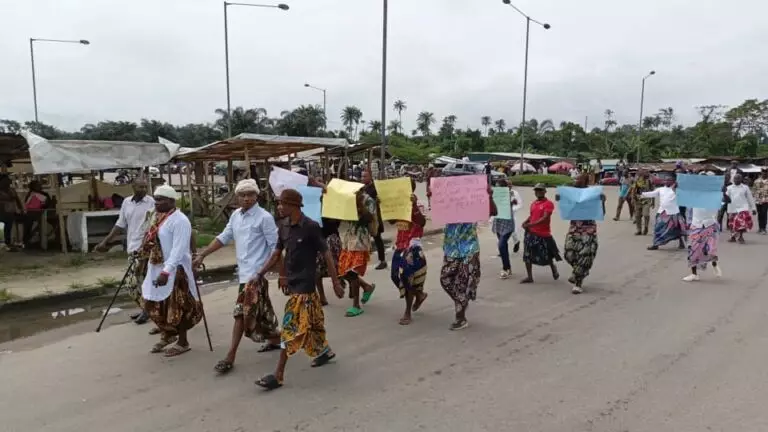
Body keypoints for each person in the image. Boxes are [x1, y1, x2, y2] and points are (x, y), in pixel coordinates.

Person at [253, 189, 344, 391]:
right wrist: (262, 273)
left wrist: (336, 283)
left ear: (292, 205)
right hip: (294, 284)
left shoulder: (310, 227)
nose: (278, 207)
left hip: (306, 285)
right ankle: (324, 352)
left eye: (281, 203)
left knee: (290, 327)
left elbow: (327, 255)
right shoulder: (283, 227)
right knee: (313, 323)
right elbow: (278, 254)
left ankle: (278, 374)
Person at [193, 179, 281, 374]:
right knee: (261, 311)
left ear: (257, 196)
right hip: (244, 273)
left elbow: (276, 247)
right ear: (237, 197)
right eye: (242, 195)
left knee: (241, 313)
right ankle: (276, 339)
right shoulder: (236, 216)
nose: (246, 198)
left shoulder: (264, 217)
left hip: (256, 275)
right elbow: (223, 237)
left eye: (250, 194)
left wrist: (279, 273)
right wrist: (202, 254)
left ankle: (230, 356)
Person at [140, 185, 203, 357]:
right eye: (156, 199)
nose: (157, 202)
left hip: (175, 270)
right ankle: (167, 334)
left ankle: (183, 342)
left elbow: (179, 249)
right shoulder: (159, 218)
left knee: (178, 307)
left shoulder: (180, 220)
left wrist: (167, 271)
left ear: (171, 201)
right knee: (155, 304)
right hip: (157, 267)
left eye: (161, 200)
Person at [96, 177, 155, 325]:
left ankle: (148, 310)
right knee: (135, 283)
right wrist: (105, 241)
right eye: (140, 187)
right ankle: (147, 309)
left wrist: (146, 244)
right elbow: (120, 224)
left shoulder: (151, 203)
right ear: (133, 187)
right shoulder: (126, 202)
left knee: (136, 282)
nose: (143, 190)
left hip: (146, 247)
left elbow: (153, 226)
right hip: (132, 246)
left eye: (145, 187)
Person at [437, 186, 496, 331]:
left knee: (463, 282)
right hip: (452, 248)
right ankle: (462, 300)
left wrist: (489, 196)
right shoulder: (448, 206)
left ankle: (460, 317)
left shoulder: (473, 206)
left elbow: (493, 212)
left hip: (469, 248)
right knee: (445, 279)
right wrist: (435, 196)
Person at [557, 174, 605, 294]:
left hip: (588, 229)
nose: (575, 180)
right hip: (574, 228)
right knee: (568, 254)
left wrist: (602, 202)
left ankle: (578, 283)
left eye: (578, 178)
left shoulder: (592, 193)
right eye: (575, 178)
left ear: (585, 181)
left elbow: (601, 213)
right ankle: (579, 271)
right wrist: (561, 198)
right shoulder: (571, 193)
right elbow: (564, 206)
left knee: (584, 256)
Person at [390, 177, 428, 325]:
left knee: (405, 277)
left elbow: (423, 222)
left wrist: (414, 206)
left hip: (413, 244)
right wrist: (385, 207)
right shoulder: (398, 203)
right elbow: (392, 221)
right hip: (400, 244)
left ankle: (407, 312)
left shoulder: (417, 203)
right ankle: (419, 294)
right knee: (395, 276)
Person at [338, 185, 377, 317]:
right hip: (349, 239)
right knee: (344, 271)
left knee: (352, 271)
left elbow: (369, 218)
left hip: (360, 240)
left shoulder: (368, 200)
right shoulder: (349, 199)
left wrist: (359, 206)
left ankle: (356, 305)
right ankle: (366, 287)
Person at [683, 173, 722, 282]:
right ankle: (694, 274)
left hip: (710, 225)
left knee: (710, 250)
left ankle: (714, 264)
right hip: (696, 225)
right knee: (693, 250)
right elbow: (689, 209)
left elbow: (726, 201)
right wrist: (688, 222)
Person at [520, 183, 562, 283]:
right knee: (527, 255)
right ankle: (529, 277)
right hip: (531, 233)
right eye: (536, 190)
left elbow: (545, 218)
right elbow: (532, 215)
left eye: (540, 190)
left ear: (544, 191)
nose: (538, 192)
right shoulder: (534, 203)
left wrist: (531, 224)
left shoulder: (548, 204)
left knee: (547, 255)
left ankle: (553, 268)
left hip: (543, 233)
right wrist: (526, 222)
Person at [642, 175, 685, 250]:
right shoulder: (660, 189)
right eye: (666, 180)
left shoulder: (678, 190)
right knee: (657, 228)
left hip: (673, 213)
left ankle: (681, 243)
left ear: (673, 181)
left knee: (677, 229)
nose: (667, 181)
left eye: (669, 180)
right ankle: (655, 244)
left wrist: (676, 188)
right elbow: (652, 193)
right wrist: (642, 194)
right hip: (662, 212)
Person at [491, 178, 521, 279]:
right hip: (499, 222)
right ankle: (508, 267)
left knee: (501, 244)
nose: (497, 188)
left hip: (508, 222)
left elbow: (516, 203)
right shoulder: (494, 195)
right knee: (503, 246)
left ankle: (505, 268)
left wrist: (512, 201)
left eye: (499, 186)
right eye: (496, 185)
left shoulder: (511, 194)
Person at [361, 169, 387, 270]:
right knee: (363, 239)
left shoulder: (376, 188)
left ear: (370, 177)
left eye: (365, 176)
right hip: (365, 218)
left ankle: (382, 260)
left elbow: (381, 200)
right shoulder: (361, 188)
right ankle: (362, 261)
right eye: (362, 176)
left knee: (377, 239)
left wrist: (377, 201)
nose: (363, 178)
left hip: (375, 218)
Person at [725, 174, 756, 244]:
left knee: (741, 223)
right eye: (736, 178)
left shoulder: (745, 187)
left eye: (739, 178)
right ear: (733, 179)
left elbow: (750, 198)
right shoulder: (729, 188)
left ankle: (741, 237)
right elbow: (725, 198)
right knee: (731, 223)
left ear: (741, 179)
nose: (737, 180)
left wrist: (753, 208)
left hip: (743, 207)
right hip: (732, 208)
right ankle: (732, 237)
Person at [0, 174, 24, 251]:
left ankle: (8, 242)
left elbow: (17, 199)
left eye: (8, 180)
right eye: (5, 180)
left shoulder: (12, 190)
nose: (7, 181)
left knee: (8, 227)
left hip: (10, 211)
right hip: (1, 210)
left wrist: (21, 208)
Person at [629, 169, 654, 235]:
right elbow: (633, 190)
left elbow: (653, 192)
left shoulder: (649, 181)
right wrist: (632, 198)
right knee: (637, 216)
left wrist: (653, 201)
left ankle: (646, 227)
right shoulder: (637, 181)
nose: (647, 175)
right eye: (645, 174)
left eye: (647, 174)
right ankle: (639, 230)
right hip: (638, 200)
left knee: (646, 214)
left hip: (646, 200)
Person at [751, 168, 768, 234]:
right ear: (761, 173)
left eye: (766, 172)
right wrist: (753, 198)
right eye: (763, 172)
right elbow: (753, 190)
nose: (764, 173)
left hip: (766, 200)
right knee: (760, 214)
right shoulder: (756, 181)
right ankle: (760, 228)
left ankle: (763, 228)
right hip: (758, 200)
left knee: (764, 213)